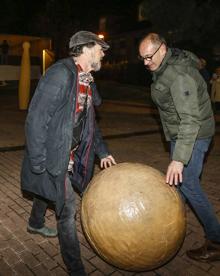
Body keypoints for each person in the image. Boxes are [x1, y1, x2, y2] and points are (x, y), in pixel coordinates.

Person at [21, 30, 116, 275]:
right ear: (85, 48)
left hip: (68, 151)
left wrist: (102, 151)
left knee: (46, 189)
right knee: (68, 210)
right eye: (99, 47)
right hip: (55, 154)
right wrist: (39, 162)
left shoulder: (84, 79)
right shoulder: (60, 75)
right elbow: (36, 119)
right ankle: (76, 269)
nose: (103, 52)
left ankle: (35, 223)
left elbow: (90, 123)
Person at [139, 33, 220, 262]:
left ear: (162, 49)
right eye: (142, 58)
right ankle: (172, 226)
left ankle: (216, 240)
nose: (145, 63)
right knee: (178, 183)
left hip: (194, 134)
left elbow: (190, 120)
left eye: (148, 57)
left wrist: (178, 159)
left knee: (188, 183)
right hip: (181, 133)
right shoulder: (165, 65)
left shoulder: (178, 75)